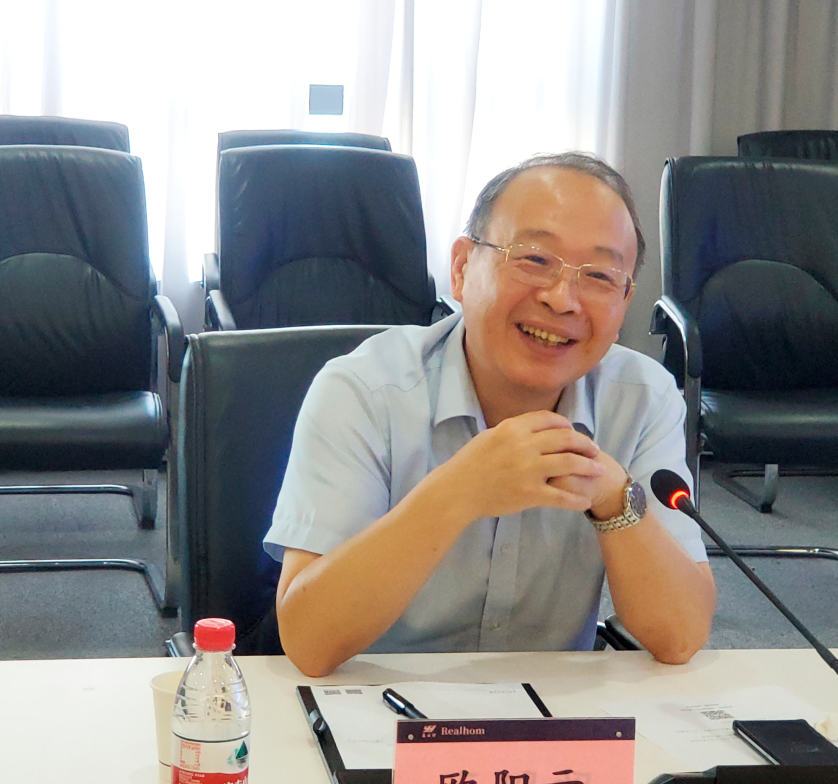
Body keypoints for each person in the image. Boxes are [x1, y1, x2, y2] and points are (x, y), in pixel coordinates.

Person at [265, 151, 717, 677]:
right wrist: (458, 493)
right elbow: (310, 642)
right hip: (377, 703)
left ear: (625, 301)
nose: (562, 299)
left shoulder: (643, 398)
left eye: (598, 275)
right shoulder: (365, 391)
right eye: (535, 259)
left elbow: (680, 636)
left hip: (551, 715)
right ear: (461, 269)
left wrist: (616, 498)